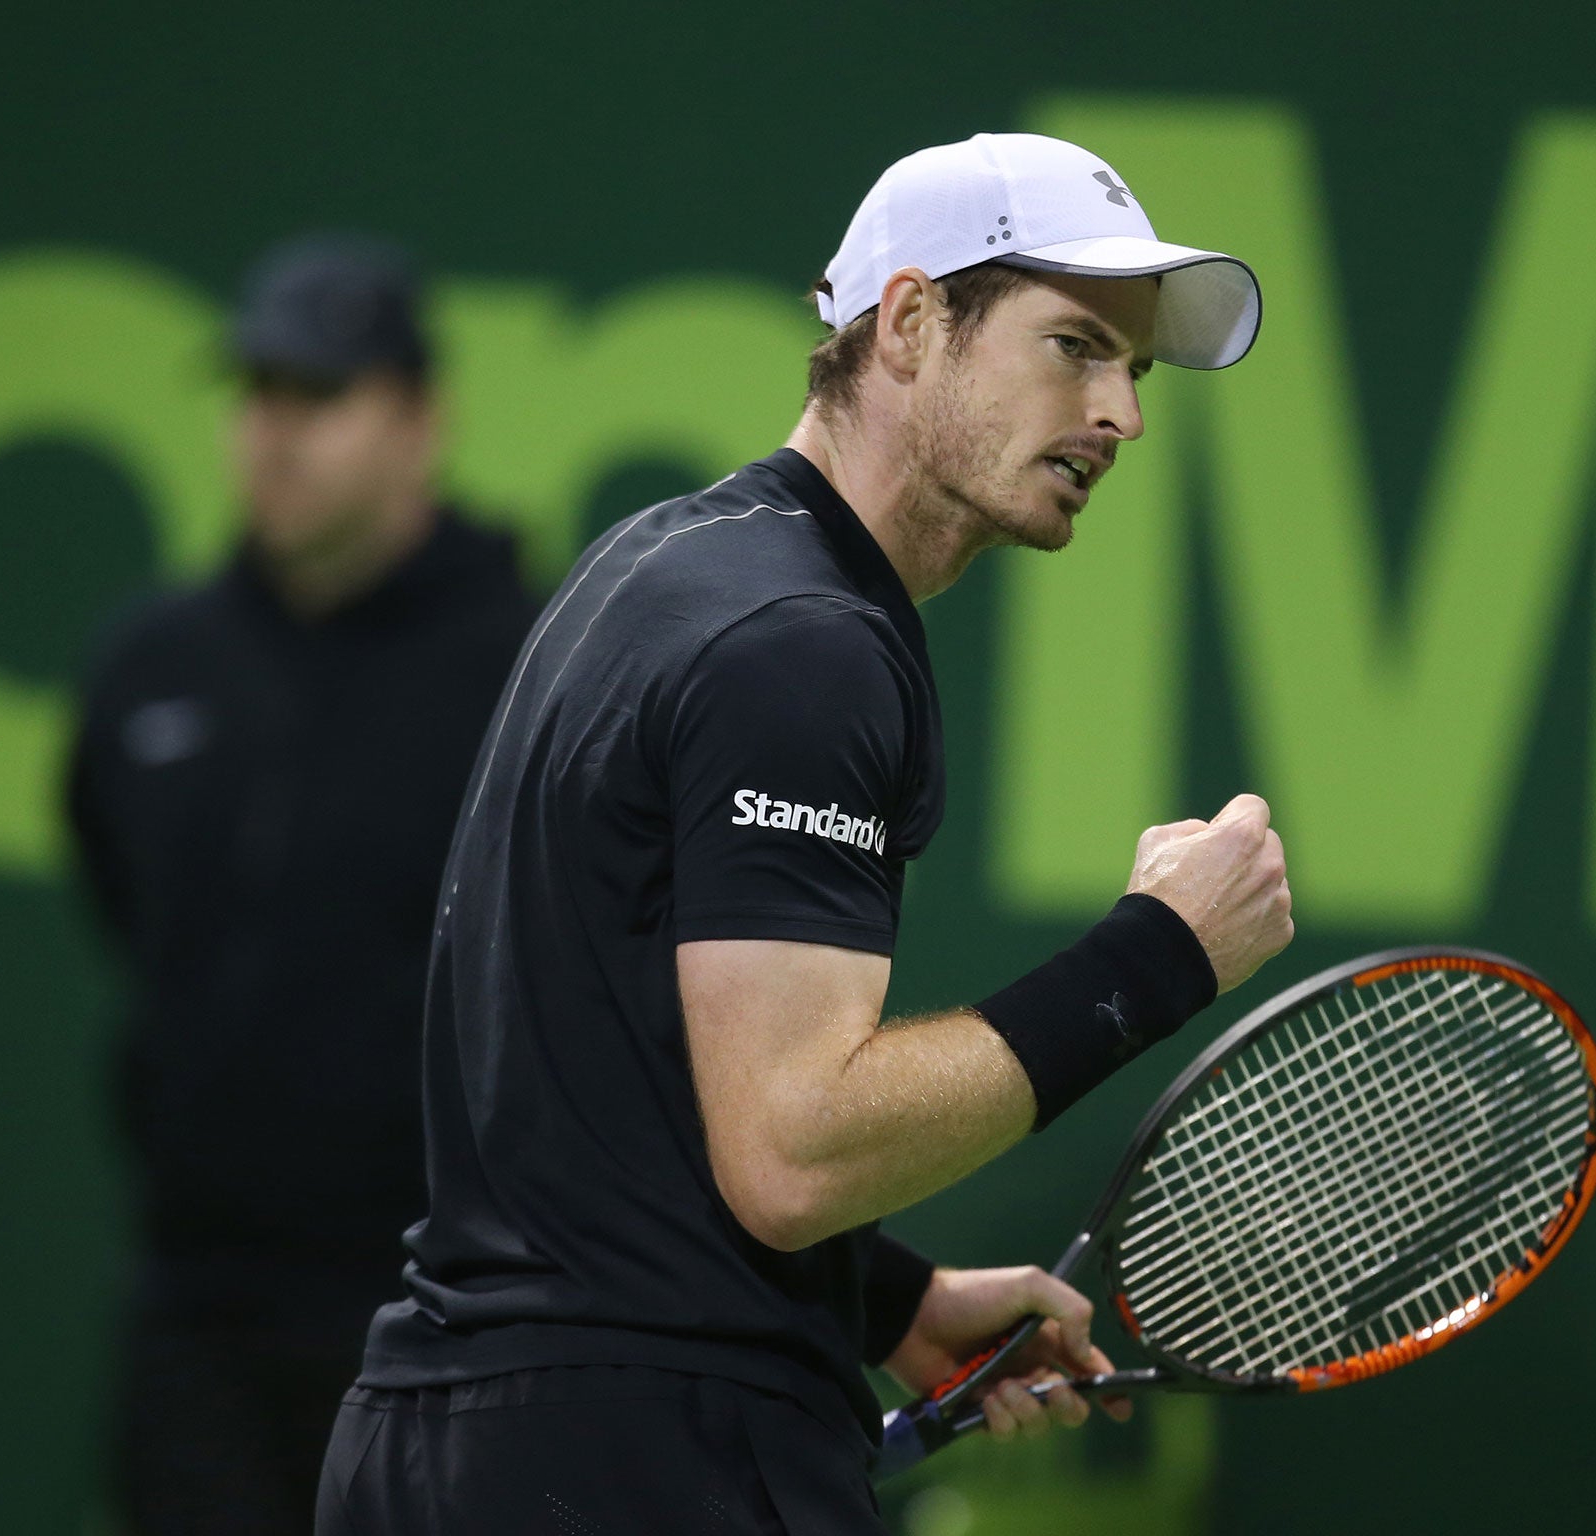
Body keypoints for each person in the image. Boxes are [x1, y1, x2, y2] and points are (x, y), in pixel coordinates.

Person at [317, 134, 1292, 1534]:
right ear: (908, 323)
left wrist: (885, 1298)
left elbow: (609, 1066)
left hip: (448, 1444)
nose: (1119, 415)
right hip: (635, 1468)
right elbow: (789, 1154)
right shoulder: (806, 650)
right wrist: (1157, 958)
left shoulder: (664, 564)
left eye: (1131, 373)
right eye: (1075, 345)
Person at [67, 234, 538, 1535]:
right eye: (258, 395)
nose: (275, 434)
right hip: (190, 1315)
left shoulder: (528, 673)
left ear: (420, 420)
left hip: (433, 1321)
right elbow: (124, 896)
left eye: (319, 398)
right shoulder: (152, 664)